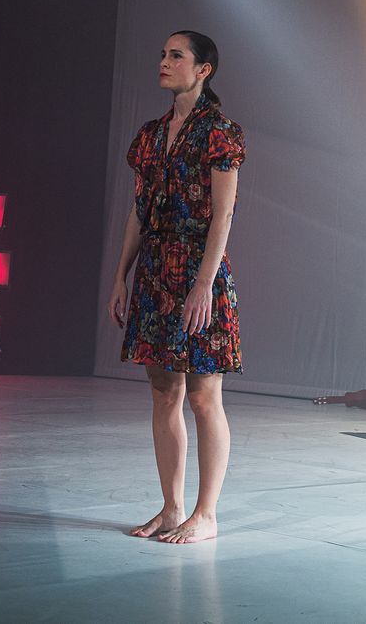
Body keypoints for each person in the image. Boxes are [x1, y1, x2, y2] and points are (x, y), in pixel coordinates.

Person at [109, 30, 245, 544]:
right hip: (155, 269)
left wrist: (204, 284)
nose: (164, 62)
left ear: (203, 69)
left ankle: (205, 514)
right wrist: (120, 276)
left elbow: (223, 212)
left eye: (176, 55)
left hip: (198, 268)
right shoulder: (150, 134)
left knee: (205, 395)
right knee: (164, 390)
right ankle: (172, 507)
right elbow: (139, 211)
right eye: (163, 54)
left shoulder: (220, 131)